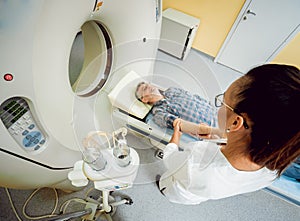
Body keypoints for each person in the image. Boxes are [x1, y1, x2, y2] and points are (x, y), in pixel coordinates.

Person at [157, 64, 300, 205]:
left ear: (235, 123)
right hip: (200, 193)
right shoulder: (271, 170)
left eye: (222, 101)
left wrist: (176, 136)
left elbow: (170, 159)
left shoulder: (196, 163)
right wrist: (216, 134)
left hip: (178, 189)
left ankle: (162, 189)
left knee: (167, 186)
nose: (219, 105)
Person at [135, 82, 218, 136]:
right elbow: (180, 124)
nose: (149, 86)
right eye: (145, 88)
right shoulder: (158, 113)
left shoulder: (172, 90)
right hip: (214, 130)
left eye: (148, 84)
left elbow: (195, 97)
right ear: (144, 99)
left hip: (218, 114)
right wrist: (214, 131)